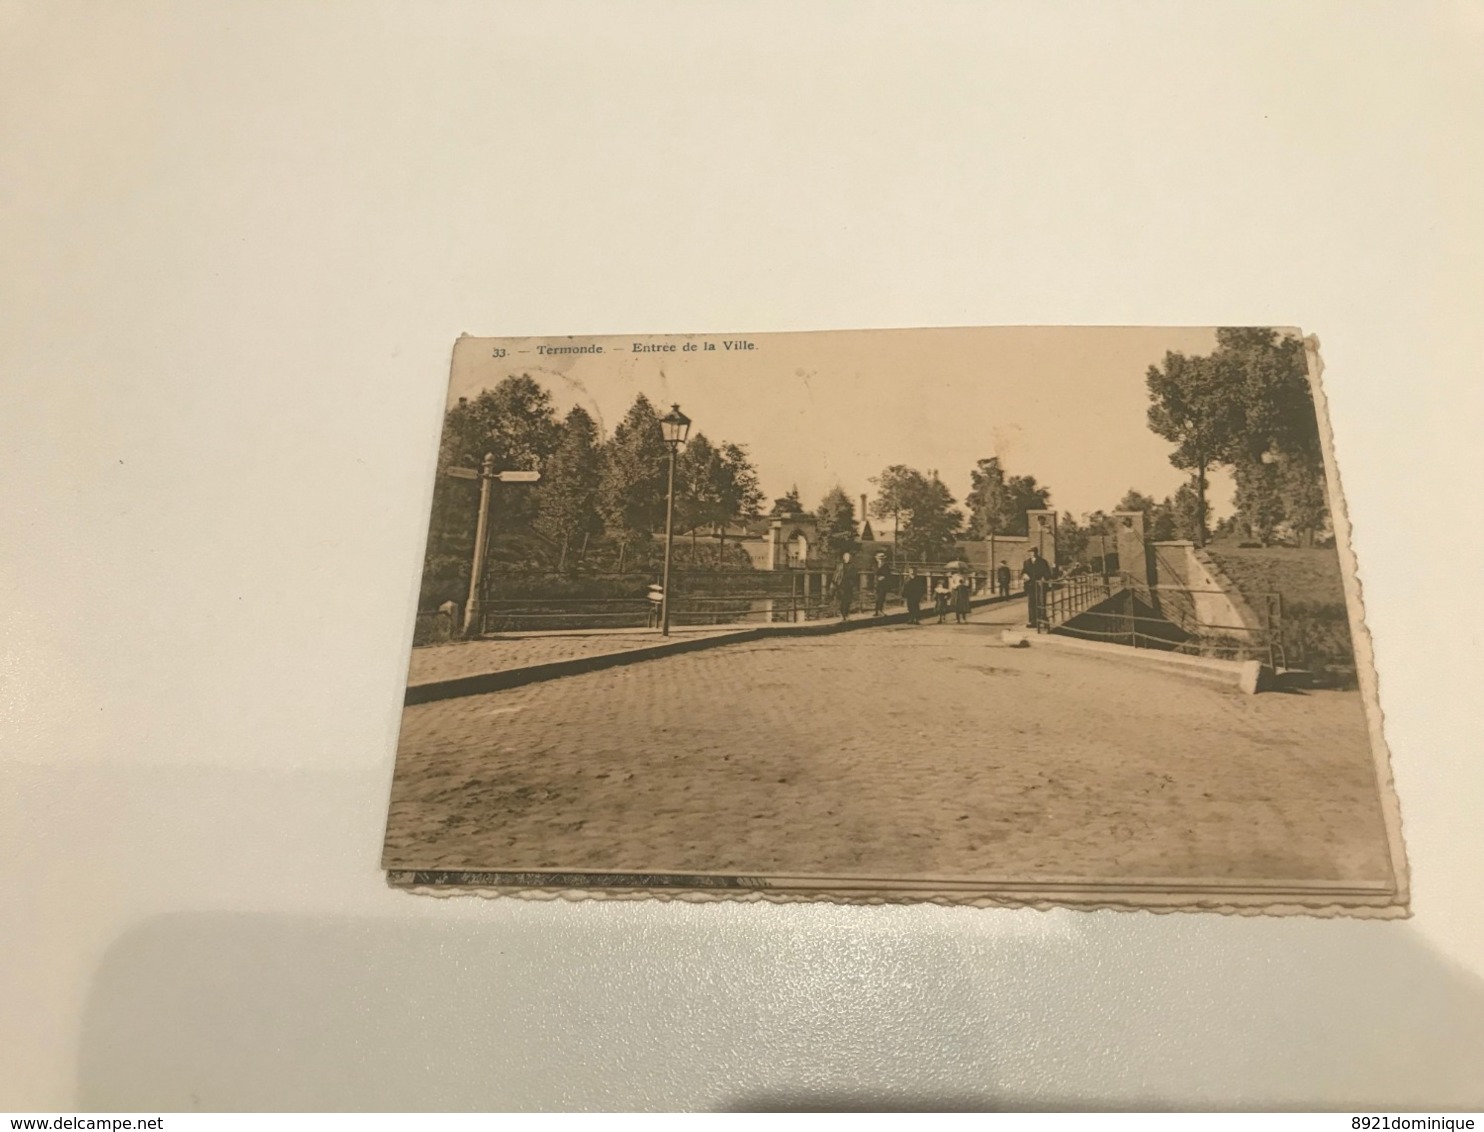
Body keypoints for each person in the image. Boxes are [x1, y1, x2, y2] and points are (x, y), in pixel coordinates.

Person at [1021, 546, 1053, 628]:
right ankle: (1033, 621)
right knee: (1031, 603)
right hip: (1030, 585)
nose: (1031, 553)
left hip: (1040, 586)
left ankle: (1042, 620)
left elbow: (1047, 573)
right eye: (1030, 552)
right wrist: (1024, 575)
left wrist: (1045, 579)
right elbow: (1024, 571)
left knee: (1041, 602)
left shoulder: (1042, 562)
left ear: (1036, 552)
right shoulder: (1026, 562)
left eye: (1033, 552)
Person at [831, 551, 856, 621]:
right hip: (841, 585)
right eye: (845, 557)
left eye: (847, 557)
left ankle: (847, 614)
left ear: (849, 558)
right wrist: (836, 584)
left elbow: (855, 576)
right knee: (843, 600)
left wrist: (852, 583)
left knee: (848, 600)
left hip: (849, 585)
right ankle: (843, 615)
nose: (846, 558)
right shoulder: (840, 565)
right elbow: (836, 575)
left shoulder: (852, 566)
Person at [871, 550, 892, 616]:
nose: (879, 560)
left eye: (881, 559)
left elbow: (888, 574)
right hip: (876, 583)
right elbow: (875, 572)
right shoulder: (875, 565)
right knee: (877, 597)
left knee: (881, 597)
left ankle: (880, 610)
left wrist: (884, 577)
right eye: (878, 558)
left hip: (883, 584)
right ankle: (876, 611)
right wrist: (879, 576)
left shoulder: (886, 566)